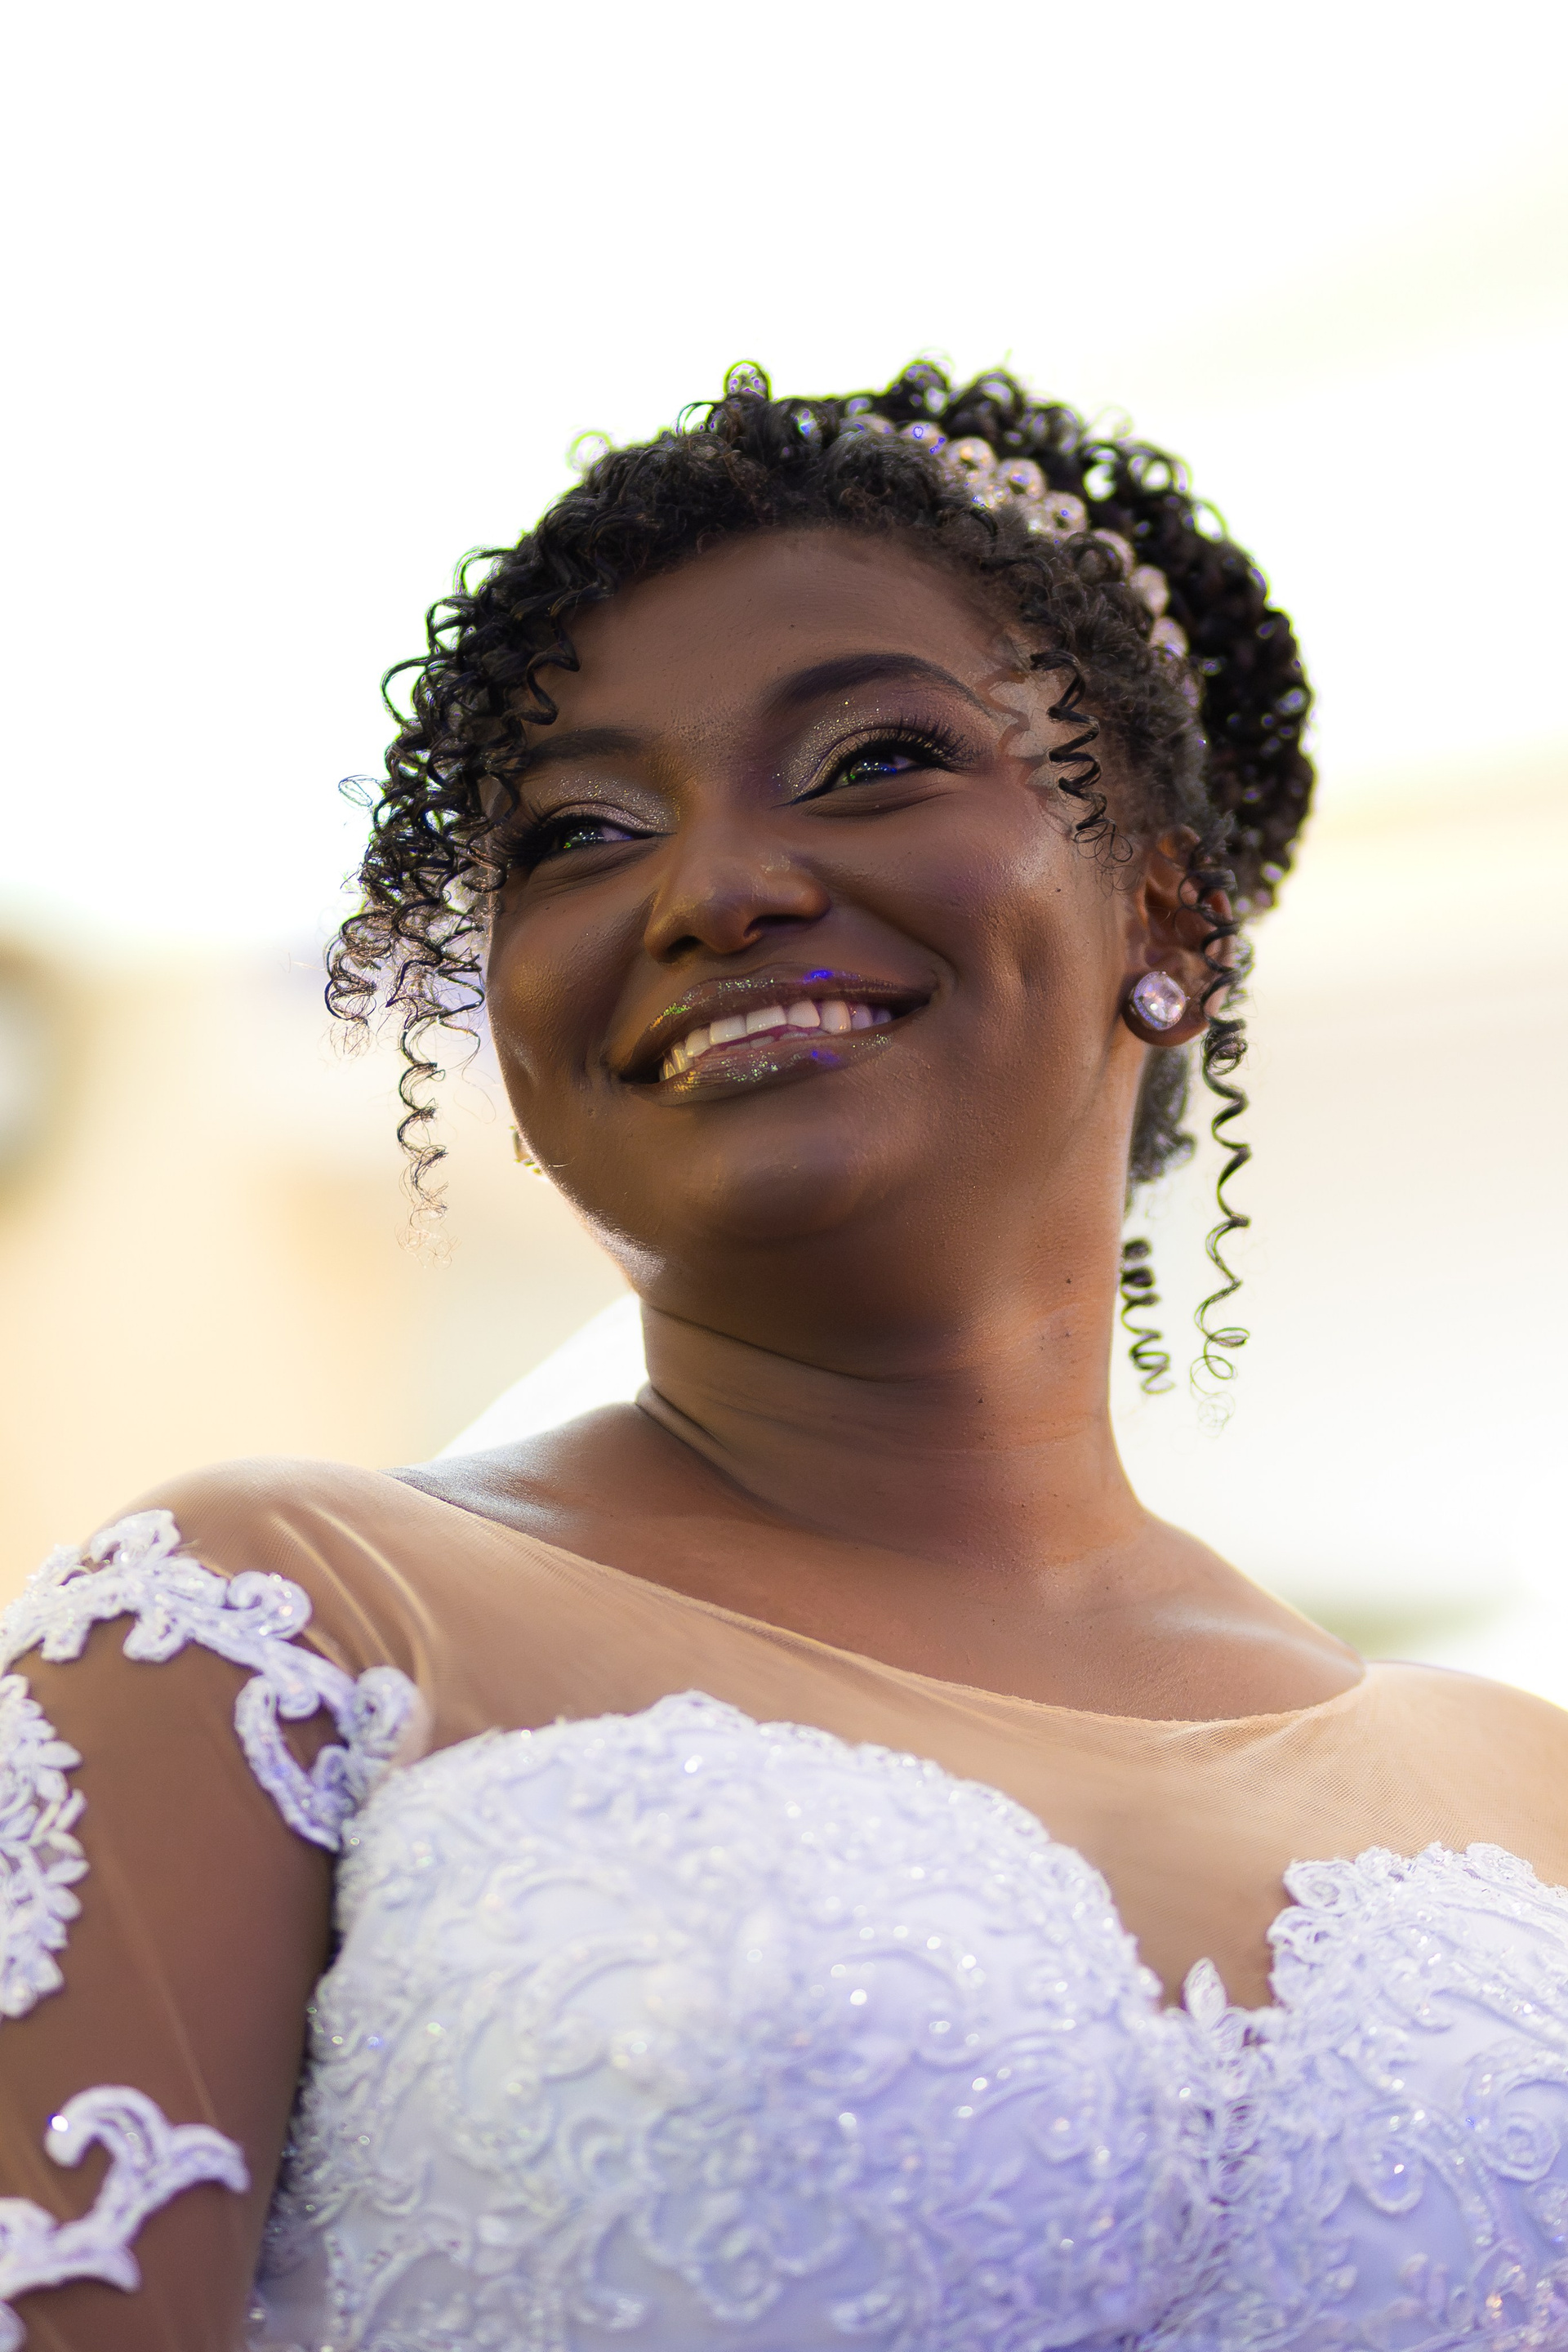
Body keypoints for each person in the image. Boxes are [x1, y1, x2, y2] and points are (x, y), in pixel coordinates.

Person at [3, 361, 1567, 2352]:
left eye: (871, 760)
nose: (715, 888)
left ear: (1168, 913)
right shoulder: (267, 1627)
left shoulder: (1526, 1796)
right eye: (579, 832)